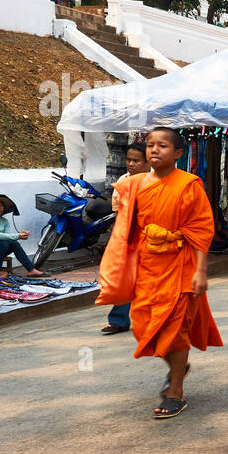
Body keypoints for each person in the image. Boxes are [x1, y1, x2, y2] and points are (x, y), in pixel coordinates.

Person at [97, 128, 221, 420]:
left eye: (162, 146)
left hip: (181, 263)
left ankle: (175, 391)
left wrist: (201, 272)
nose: (154, 150)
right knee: (142, 326)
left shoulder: (189, 184)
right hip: (148, 265)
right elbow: (127, 229)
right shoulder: (135, 185)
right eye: (151, 145)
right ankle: (178, 366)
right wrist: (120, 266)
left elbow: (202, 230)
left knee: (175, 329)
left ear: (178, 154)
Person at [100, 141, 148, 336]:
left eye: (136, 160)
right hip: (126, 236)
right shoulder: (123, 180)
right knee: (122, 279)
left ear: (148, 162)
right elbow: (117, 211)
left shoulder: (156, 181)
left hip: (150, 237)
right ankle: (118, 321)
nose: (131, 164)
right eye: (128, 159)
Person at [0, 194, 46, 276]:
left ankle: (31, 269)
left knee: (13, 243)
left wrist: (22, 235)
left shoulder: (4, 221)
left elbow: (6, 237)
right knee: (3, 243)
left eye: (1, 206)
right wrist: (18, 236)